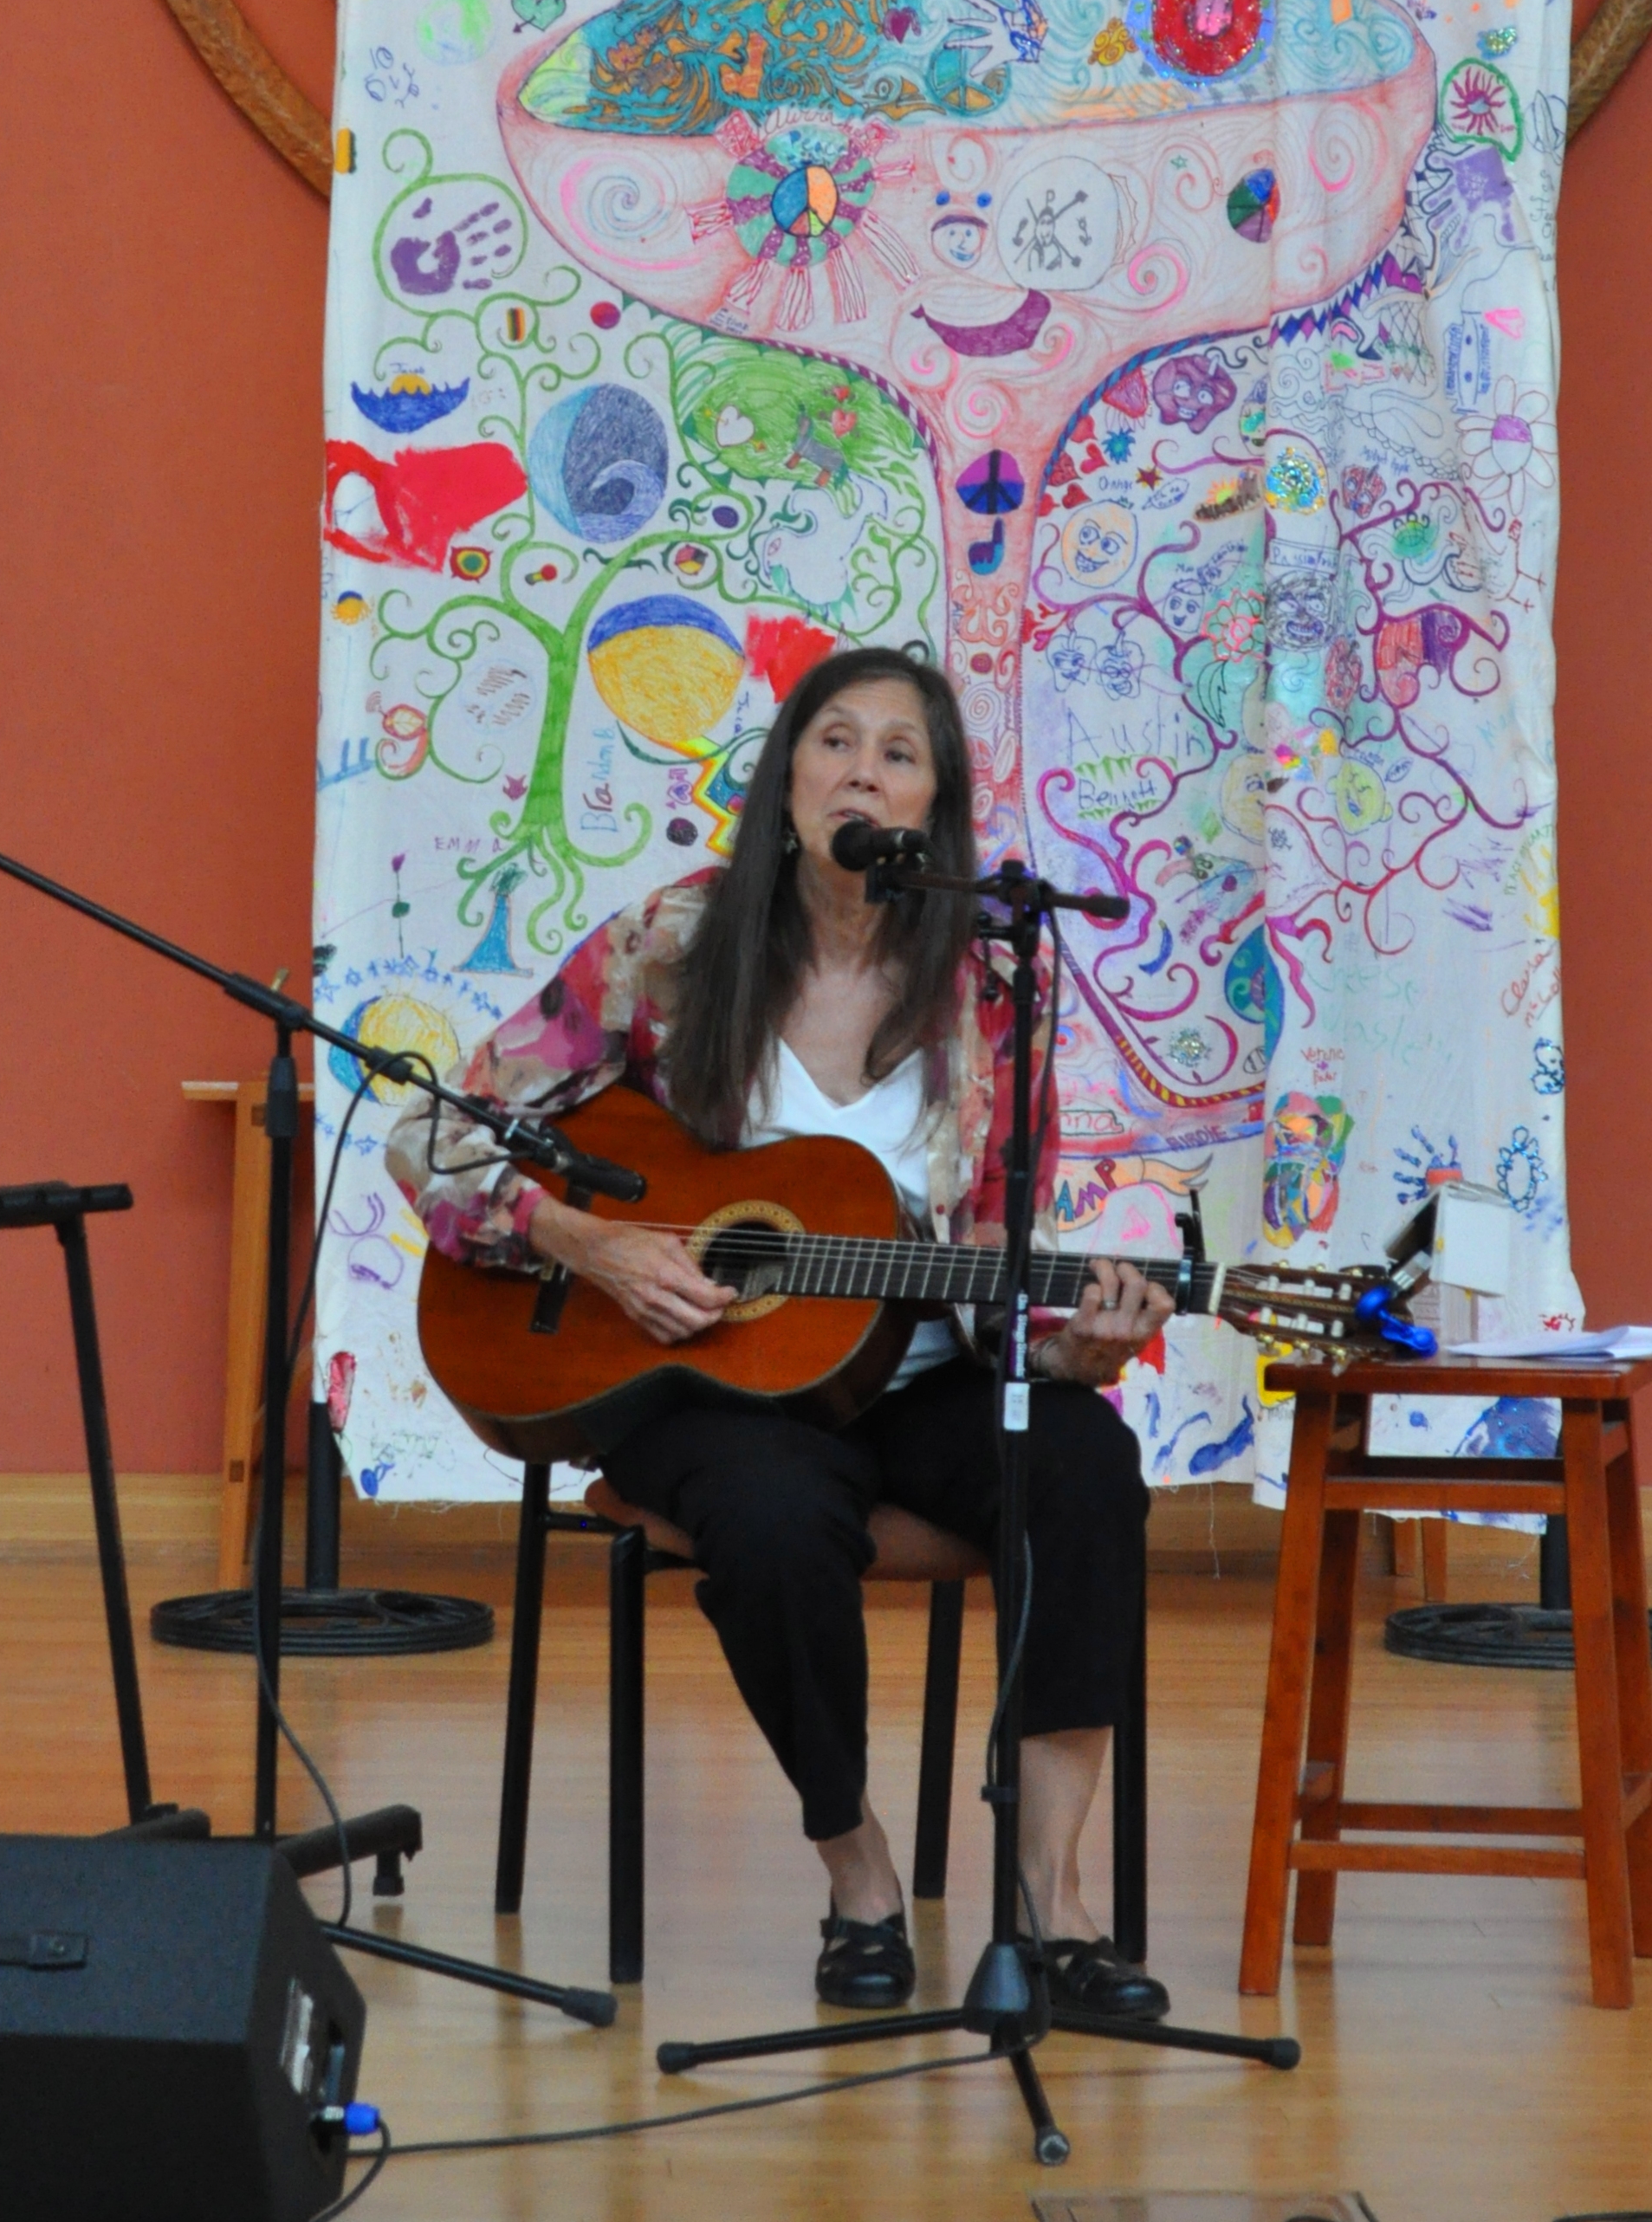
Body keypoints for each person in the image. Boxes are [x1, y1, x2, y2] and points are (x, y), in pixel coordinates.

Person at [384, 644, 1173, 2018]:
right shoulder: (673, 944)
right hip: (708, 1383)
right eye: (835, 740)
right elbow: (428, 1130)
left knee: (1087, 1462)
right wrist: (581, 1239)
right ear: (788, 775)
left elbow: (999, 1261)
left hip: (919, 1377)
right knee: (772, 1517)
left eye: (899, 752)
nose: (862, 770)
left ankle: (1054, 1901)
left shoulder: (989, 991)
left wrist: (1071, 1349)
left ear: (934, 805)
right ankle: (858, 1869)